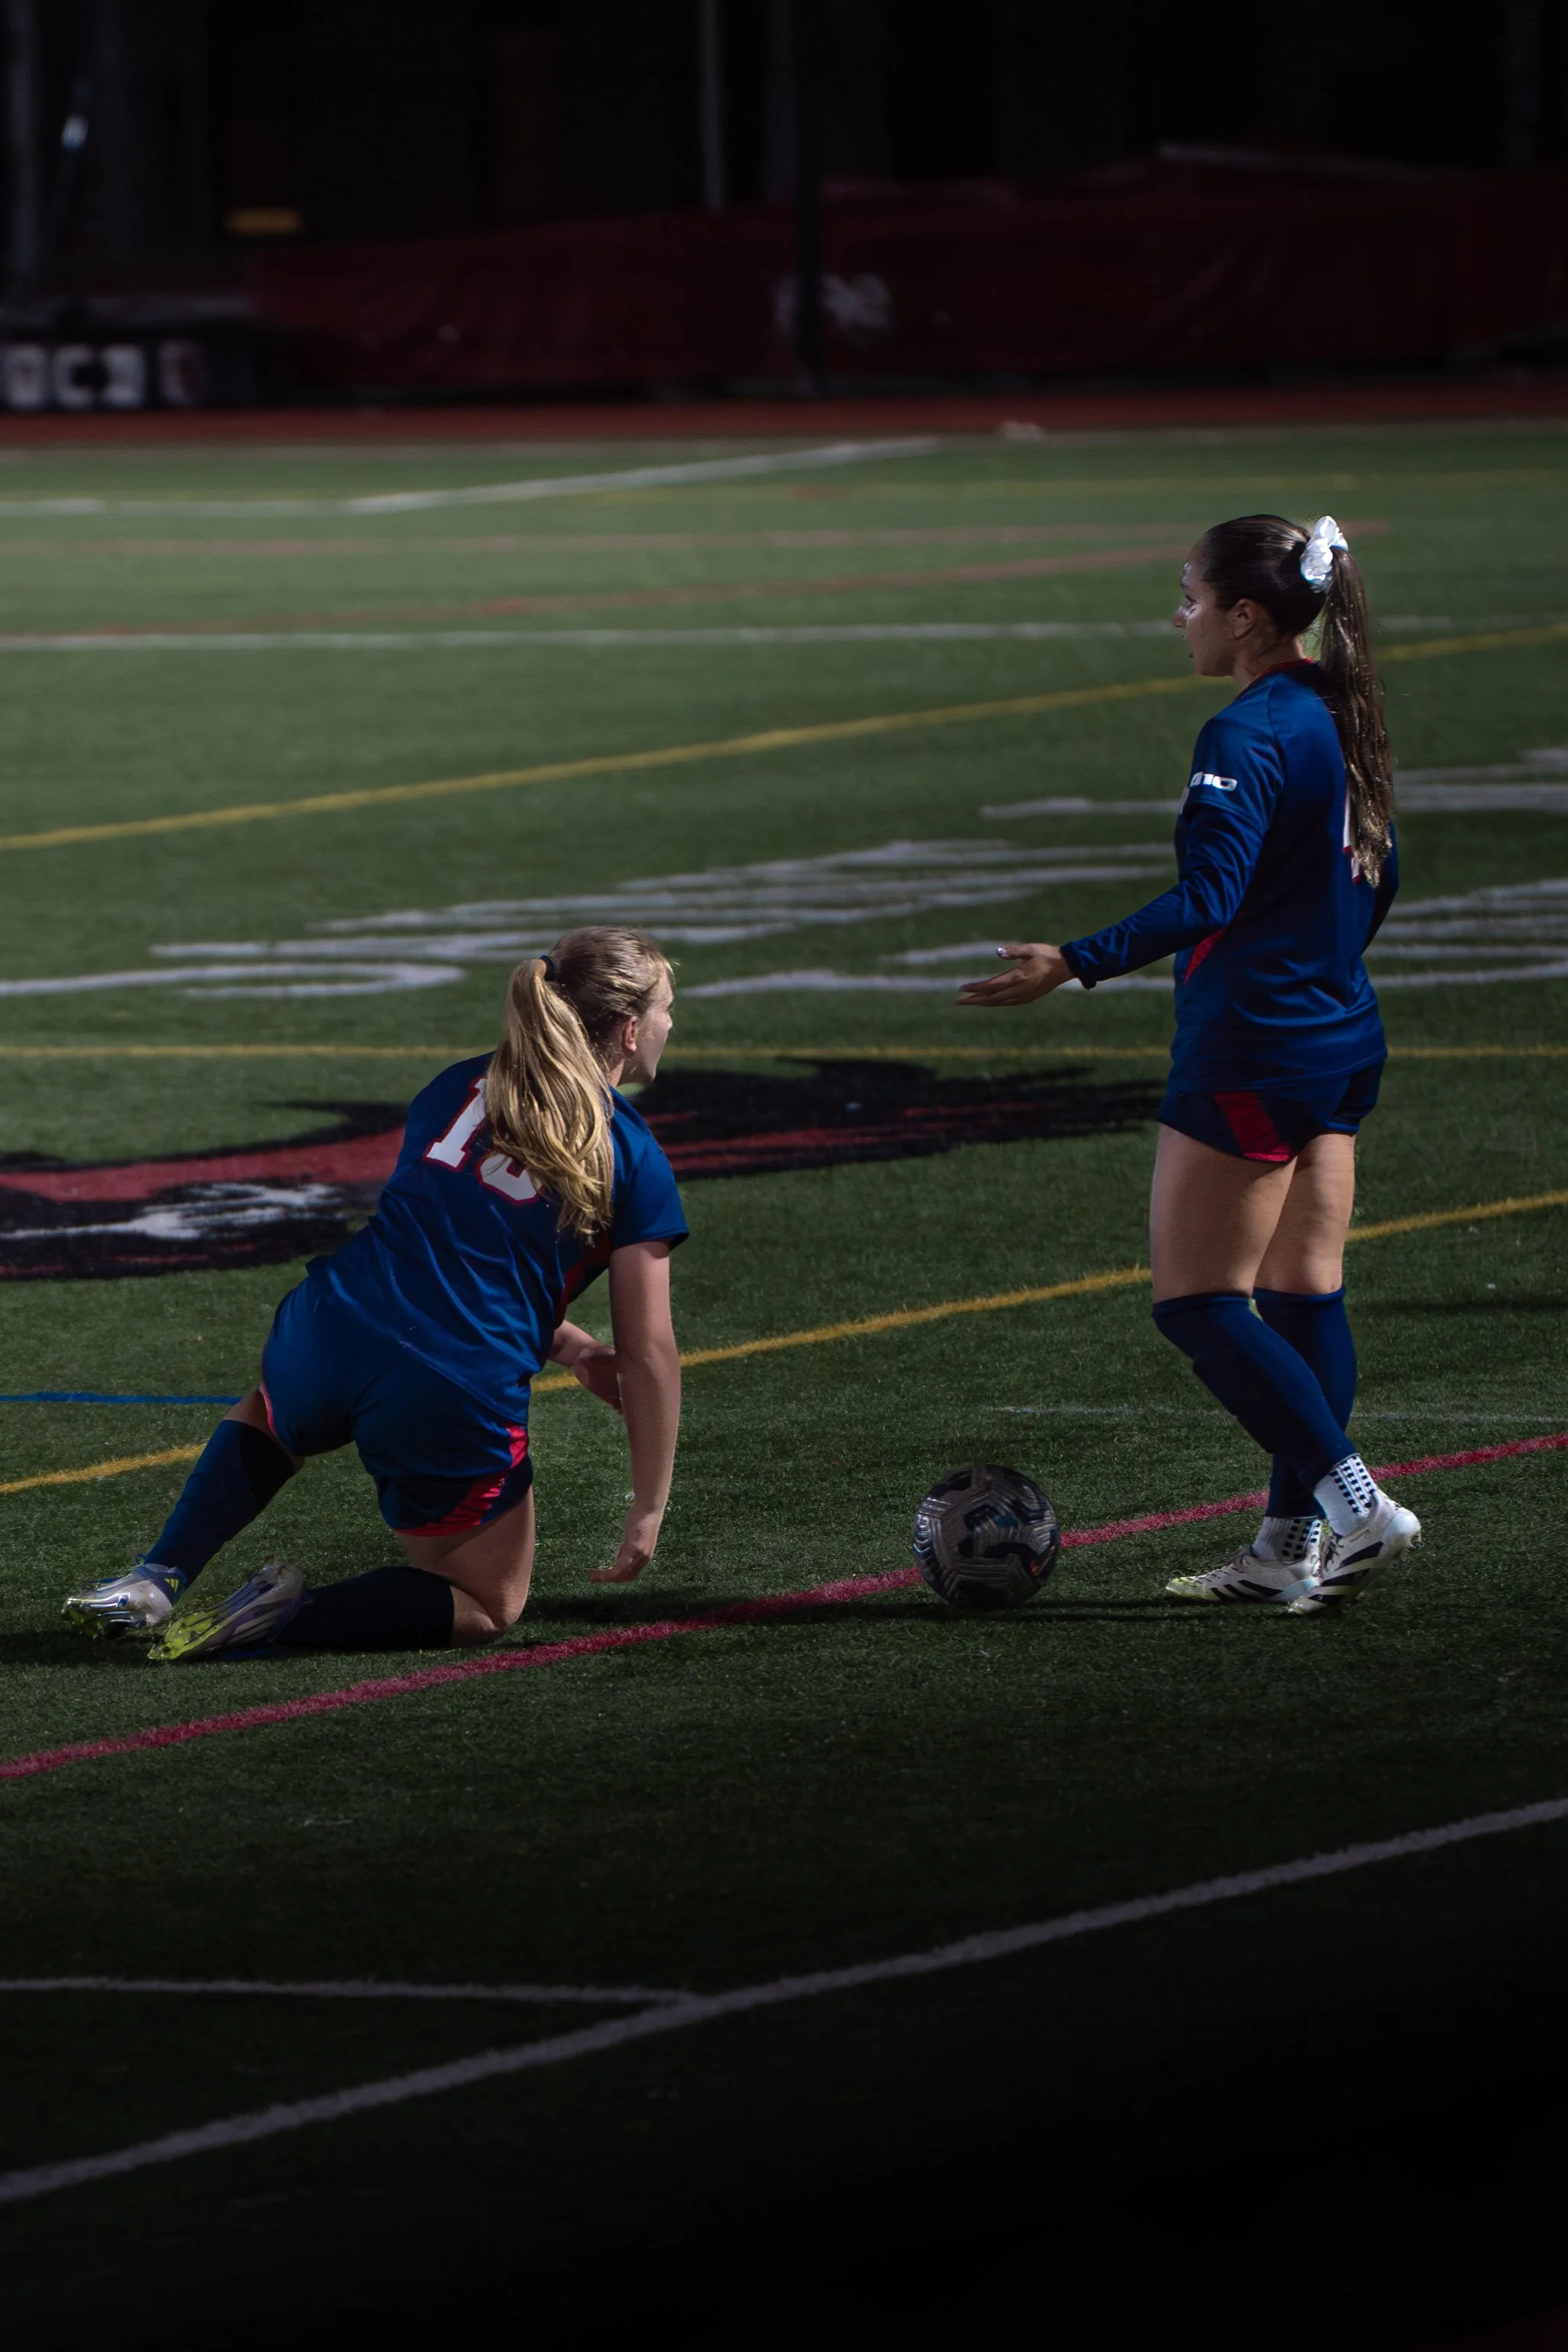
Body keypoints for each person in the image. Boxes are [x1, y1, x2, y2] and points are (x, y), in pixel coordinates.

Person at [957, 513, 1418, 1614]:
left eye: (1192, 598)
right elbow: (1382, 871)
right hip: (1342, 1038)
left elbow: (1209, 898)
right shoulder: (1339, 707)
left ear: (1247, 614)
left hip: (1251, 1051)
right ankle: (1281, 1550)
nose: (1182, 618)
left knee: (1198, 1301)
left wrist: (1072, 961)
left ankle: (1358, 1502)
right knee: (1303, 1295)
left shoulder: (1245, 730)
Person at [63, 926, 685, 1660]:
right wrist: (646, 1511)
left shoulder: (456, 1085)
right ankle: (285, 1615)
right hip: (453, 1383)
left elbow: (440, 1246)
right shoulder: (634, 1154)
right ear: (627, 1028)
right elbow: (648, 1352)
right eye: (668, 1009)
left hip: (333, 1324)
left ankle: (157, 1574)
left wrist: (572, 1347)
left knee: (272, 1414)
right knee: (489, 1602)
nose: (671, 1025)